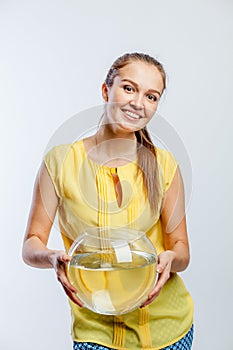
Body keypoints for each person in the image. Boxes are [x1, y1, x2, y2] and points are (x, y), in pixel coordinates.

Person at [22, 52, 194, 350]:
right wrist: (51, 257)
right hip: (96, 330)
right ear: (106, 90)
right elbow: (31, 243)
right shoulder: (60, 162)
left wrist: (169, 260)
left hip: (168, 328)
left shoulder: (165, 165)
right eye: (129, 88)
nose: (138, 103)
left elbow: (181, 250)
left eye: (151, 96)